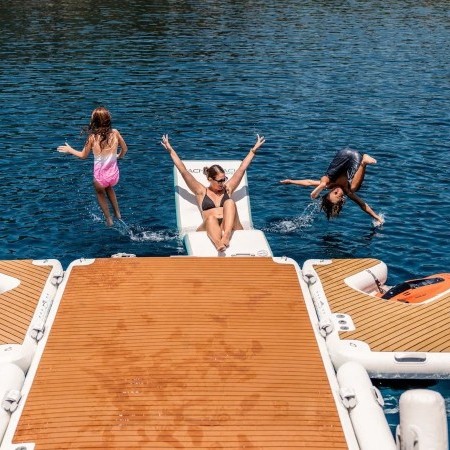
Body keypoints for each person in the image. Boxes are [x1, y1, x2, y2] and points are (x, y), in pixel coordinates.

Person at [161, 134, 265, 252]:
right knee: (210, 218)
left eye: (224, 179)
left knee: (230, 202)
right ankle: (218, 244)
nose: (222, 183)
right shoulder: (201, 192)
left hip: (230, 226)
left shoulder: (228, 189)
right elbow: (183, 171)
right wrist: (170, 151)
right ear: (210, 179)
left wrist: (253, 151)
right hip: (210, 226)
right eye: (219, 180)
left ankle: (226, 236)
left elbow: (241, 169)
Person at [57, 107, 128, 226]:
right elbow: (125, 149)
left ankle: (109, 220)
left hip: (100, 179)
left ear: (94, 121)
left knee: (100, 192)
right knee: (109, 187)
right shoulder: (115, 133)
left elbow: (83, 155)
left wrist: (70, 150)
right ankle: (117, 213)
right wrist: (118, 156)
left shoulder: (92, 137)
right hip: (114, 176)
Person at [280, 147, 384, 225]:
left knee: (325, 181)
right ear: (342, 199)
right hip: (356, 158)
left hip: (342, 155)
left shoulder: (330, 185)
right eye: (338, 195)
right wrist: (377, 218)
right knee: (352, 189)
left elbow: (309, 182)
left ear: (330, 191)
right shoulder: (347, 191)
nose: (338, 191)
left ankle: (321, 185)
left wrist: (291, 181)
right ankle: (364, 163)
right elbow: (363, 205)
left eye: (334, 192)